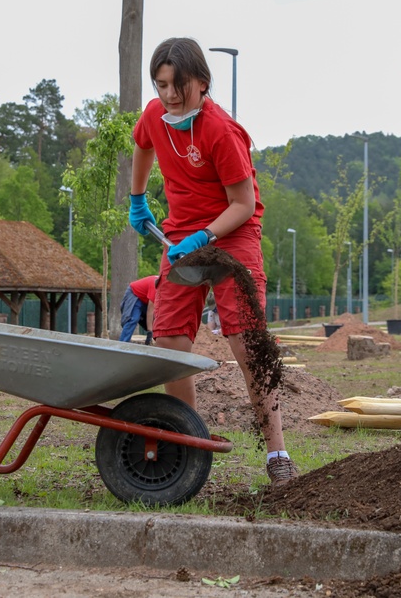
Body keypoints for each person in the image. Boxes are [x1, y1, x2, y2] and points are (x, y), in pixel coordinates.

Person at [128, 37, 297, 488]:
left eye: (178, 85)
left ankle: (277, 451)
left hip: (232, 235)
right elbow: (142, 145)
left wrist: (207, 235)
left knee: (248, 344)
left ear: (202, 81)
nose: (169, 95)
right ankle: (188, 443)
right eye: (161, 84)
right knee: (168, 342)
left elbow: (243, 203)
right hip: (182, 234)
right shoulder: (153, 116)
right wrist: (138, 197)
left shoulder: (222, 131)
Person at [119, 275, 158, 344]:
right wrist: (149, 332)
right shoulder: (156, 286)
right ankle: (122, 345)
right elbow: (150, 310)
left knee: (157, 321)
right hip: (134, 294)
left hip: (145, 299)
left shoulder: (167, 291)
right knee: (133, 319)